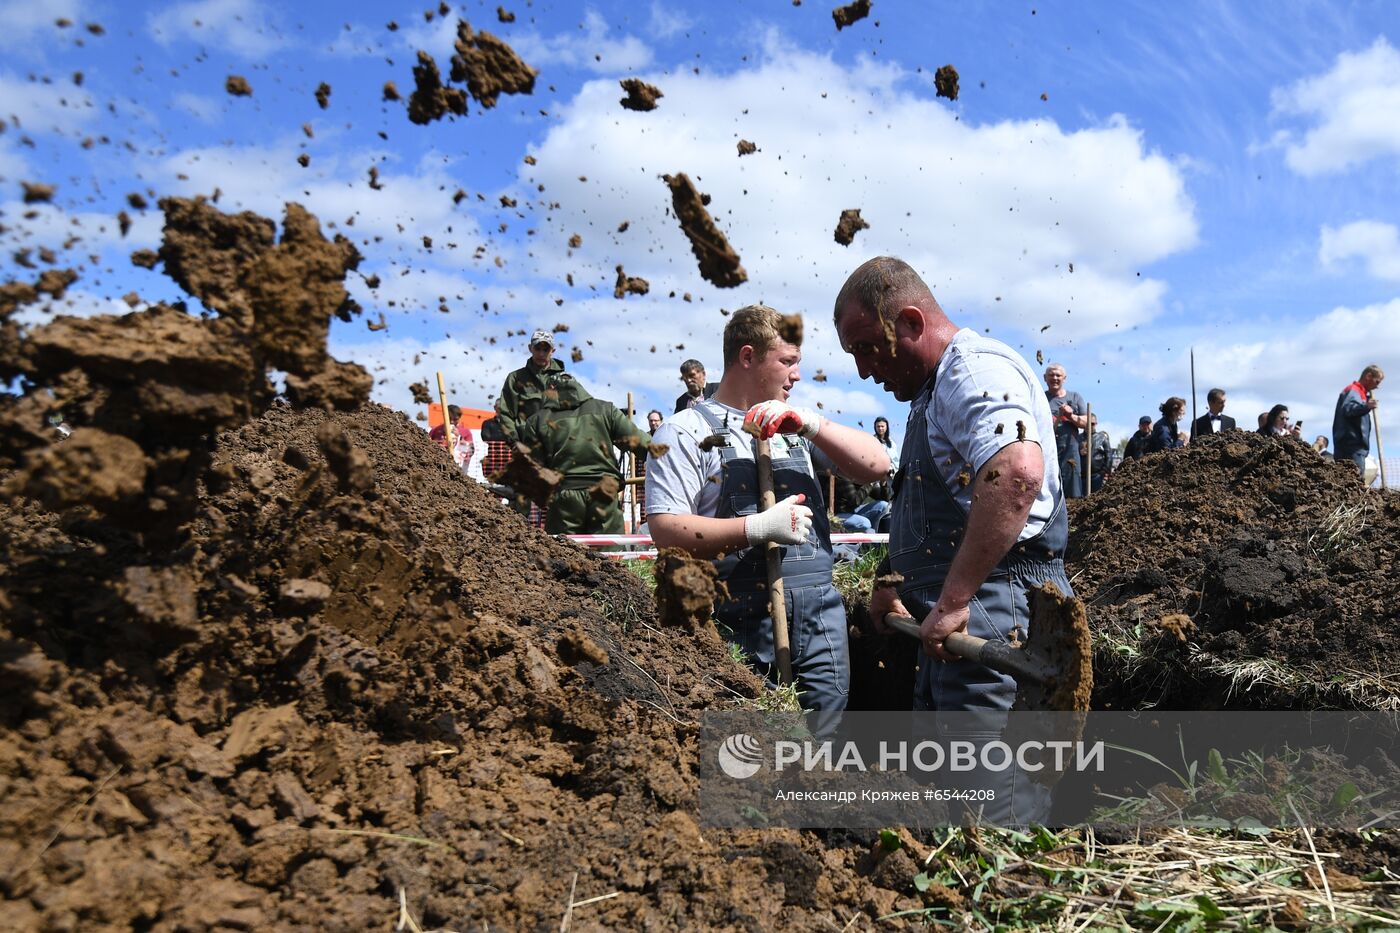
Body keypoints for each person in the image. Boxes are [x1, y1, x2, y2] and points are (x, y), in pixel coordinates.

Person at [834, 256, 1073, 824]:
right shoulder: (931, 392)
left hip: (997, 616)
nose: (864, 371)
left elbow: (1015, 474)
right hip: (953, 622)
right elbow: (929, 508)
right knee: (950, 801)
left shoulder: (973, 372)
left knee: (995, 812)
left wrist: (956, 598)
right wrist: (891, 581)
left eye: (867, 348)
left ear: (911, 323)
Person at [646, 305, 890, 715]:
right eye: (788, 362)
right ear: (748, 357)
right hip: (736, 623)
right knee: (752, 741)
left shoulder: (794, 428)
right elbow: (666, 531)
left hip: (819, 622)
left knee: (824, 739)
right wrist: (755, 529)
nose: (797, 375)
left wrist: (811, 424)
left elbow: (877, 466)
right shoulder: (686, 431)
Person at [518, 373, 649, 534]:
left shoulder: (537, 421)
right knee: (608, 548)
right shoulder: (605, 410)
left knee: (563, 548)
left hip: (564, 496)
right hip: (604, 493)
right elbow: (641, 443)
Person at [494, 329, 565, 444]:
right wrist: (515, 443)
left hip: (558, 445)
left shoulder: (564, 380)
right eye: (537, 348)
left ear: (553, 351)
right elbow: (506, 413)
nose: (541, 354)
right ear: (530, 348)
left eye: (546, 349)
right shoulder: (516, 378)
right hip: (527, 445)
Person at [1043, 363, 1087, 498]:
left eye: (1058, 375)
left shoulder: (1074, 397)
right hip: (1047, 449)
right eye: (1051, 375)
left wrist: (1070, 416)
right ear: (1045, 378)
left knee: (1072, 487)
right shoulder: (1040, 398)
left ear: (1064, 378)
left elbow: (1086, 423)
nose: (1055, 378)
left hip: (1070, 450)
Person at [1333, 365, 1384, 474]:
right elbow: (1348, 409)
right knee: (1353, 478)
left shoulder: (1360, 394)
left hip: (1353, 447)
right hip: (1350, 447)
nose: (1377, 387)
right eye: (1377, 382)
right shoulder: (1354, 391)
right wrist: (1366, 406)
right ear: (1368, 376)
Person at [429, 404, 475, 474]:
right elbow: (427, 445)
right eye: (449, 419)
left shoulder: (466, 432)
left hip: (458, 467)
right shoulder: (435, 430)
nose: (452, 422)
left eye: (455, 419)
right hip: (437, 467)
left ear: (459, 418)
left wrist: (459, 437)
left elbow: (471, 451)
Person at [1086, 414, 1112, 491]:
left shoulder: (1102, 438)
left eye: (1092, 424)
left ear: (1096, 424)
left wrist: (1104, 471)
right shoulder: (1079, 438)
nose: (1090, 426)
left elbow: (1109, 456)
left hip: (1097, 476)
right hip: (1082, 477)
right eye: (1088, 423)